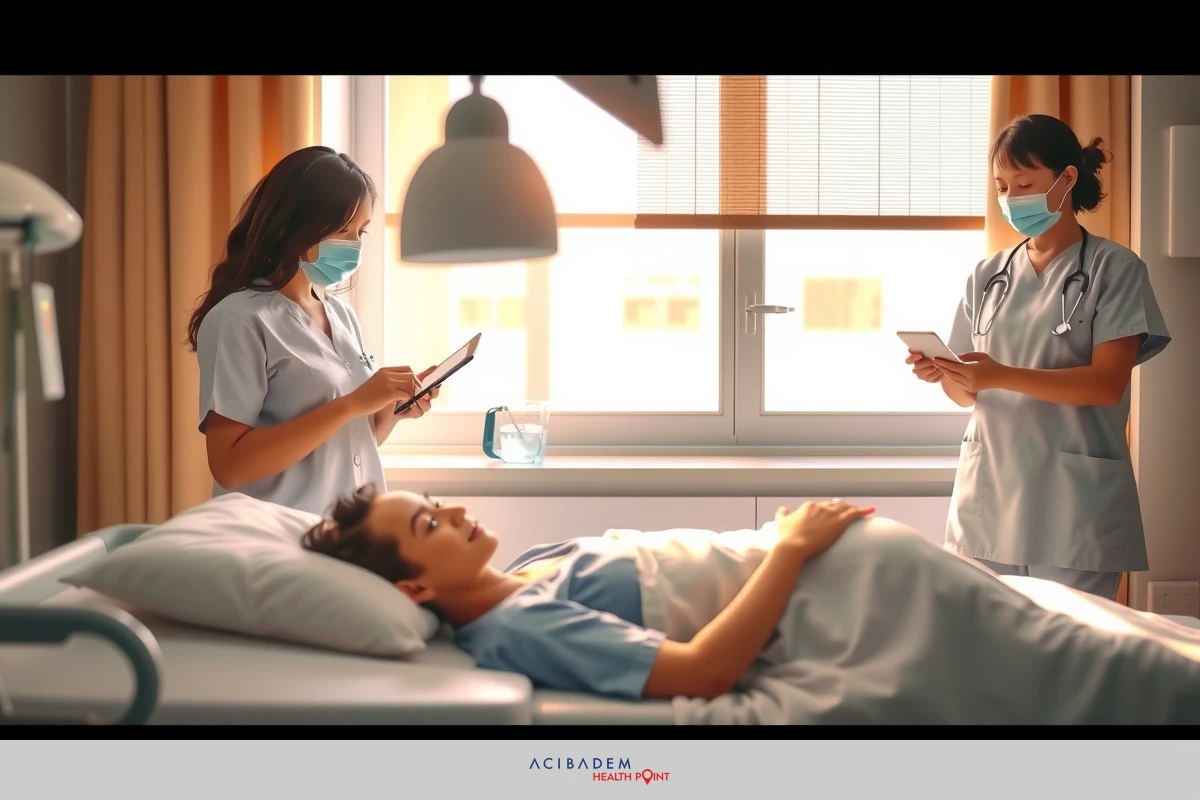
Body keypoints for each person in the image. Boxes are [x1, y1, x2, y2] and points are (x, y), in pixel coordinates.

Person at [905, 114, 1171, 600]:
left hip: (1071, 504)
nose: (1011, 199)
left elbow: (1104, 384)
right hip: (989, 499)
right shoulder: (987, 276)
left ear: (1067, 178)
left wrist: (999, 374)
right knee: (988, 655)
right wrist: (945, 372)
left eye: (1024, 183)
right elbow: (968, 395)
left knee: (1073, 657)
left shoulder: (1115, 268)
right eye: (1002, 187)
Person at [302, 484, 876, 701]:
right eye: (430, 525)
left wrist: (787, 535)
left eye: (432, 504)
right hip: (837, 588)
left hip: (840, 558)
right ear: (415, 586)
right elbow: (702, 672)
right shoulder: (515, 628)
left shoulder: (527, 566)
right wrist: (791, 549)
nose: (453, 510)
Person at [187, 146, 439, 516]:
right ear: (293, 226)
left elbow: (348, 446)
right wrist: (352, 404)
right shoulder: (240, 320)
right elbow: (231, 466)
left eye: (361, 232)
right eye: (342, 230)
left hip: (343, 535)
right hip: (275, 539)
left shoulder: (341, 316)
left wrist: (391, 412)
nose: (353, 245)